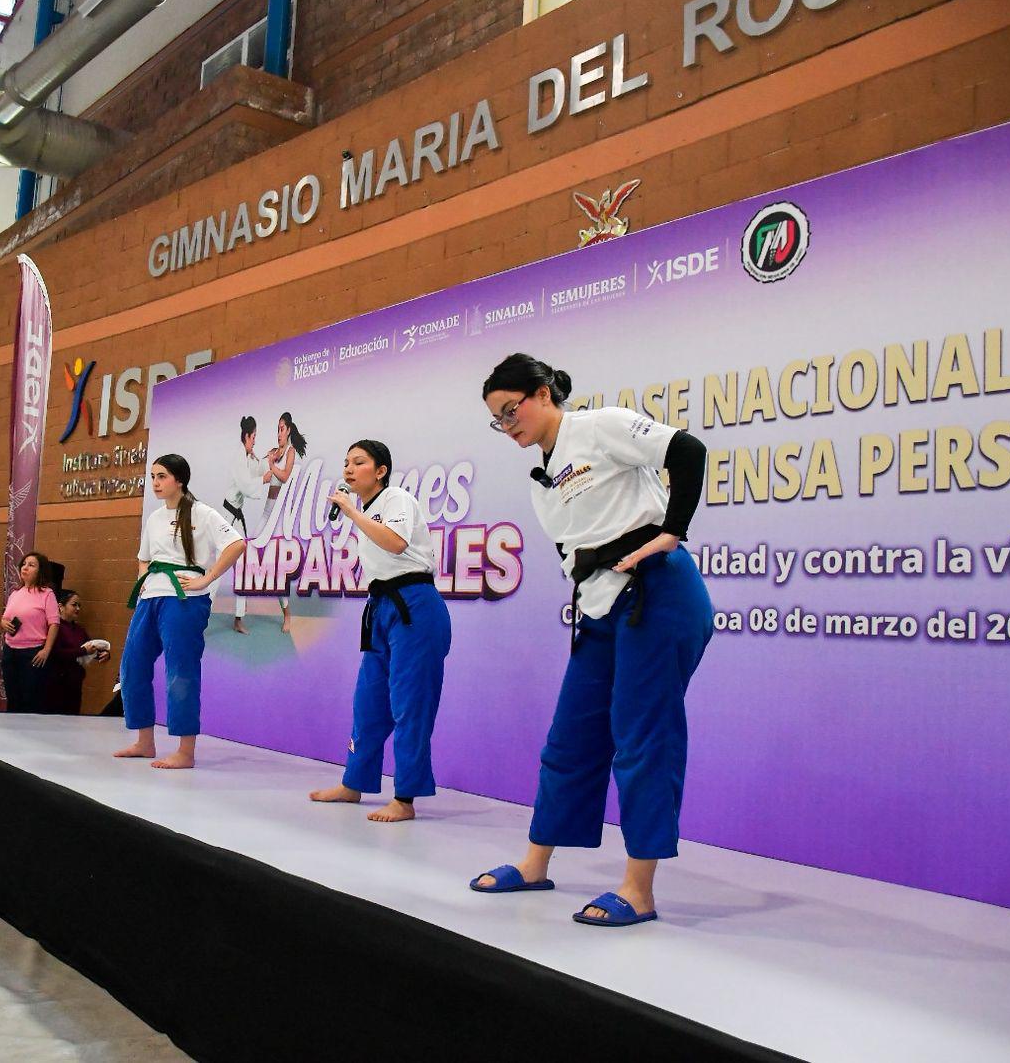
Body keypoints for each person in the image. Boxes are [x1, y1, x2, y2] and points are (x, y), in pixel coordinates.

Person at [469, 354, 713, 928]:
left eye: (512, 410)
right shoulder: (542, 480)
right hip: (603, 608)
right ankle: (535, 863)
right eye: (498, 420)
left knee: (642, 737)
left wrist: (672, 532)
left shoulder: (598, 427)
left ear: (544, 392)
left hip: (658, 594)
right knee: (570, 736)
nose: (509, 426)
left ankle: (639, 888)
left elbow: (688, 451)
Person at [309, 441, 453, 823]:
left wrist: (351, 512)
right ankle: (354, 782)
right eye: (346, 463)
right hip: (382, 609)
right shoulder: (367, 510)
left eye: (359, 462)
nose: (349, 469)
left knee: (410, 704)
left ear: (381, 470)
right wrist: (356, 513)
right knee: (369, 701)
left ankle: (405, 797)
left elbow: (395, 542)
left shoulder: (397, 499)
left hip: (416, 608)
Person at [116, 454, 246, 769]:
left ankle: (185, 751)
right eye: (153, 477)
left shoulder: (203, 513)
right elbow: (143, 557)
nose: (156, 483)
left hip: (185, 598)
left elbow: (236, 544)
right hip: (151, 598)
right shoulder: (155, 518)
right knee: (132, 666)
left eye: (162, 477)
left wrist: (208, 578)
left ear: (179, 480)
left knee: (180, 671)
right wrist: (143, 580)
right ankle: (145, 742)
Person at [259, 412, 308, 632]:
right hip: (267, 509)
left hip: (280, 513)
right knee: (250, 549)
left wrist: (271, 464)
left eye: (281, 428)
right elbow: (264, 473)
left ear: (288, 429)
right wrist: (265, 462)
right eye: (276, 429)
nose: (278, 433)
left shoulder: (290, 451)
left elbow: (286, 476)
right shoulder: (275, 452)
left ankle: (287, 613)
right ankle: (241, 608)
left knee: (276, 563)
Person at [0, 552, 59, 713]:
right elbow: (5, 618)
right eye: (24, 564)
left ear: (40, 571)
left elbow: (54, 623)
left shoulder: (47, 594)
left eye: (31, 565)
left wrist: (46, 650)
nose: (25, 567)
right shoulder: (15, 593)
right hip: (11, 651)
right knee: (13, 696)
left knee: (30, 698)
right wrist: (3, 623)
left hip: (32, 651)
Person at [225, 416, 269, 634]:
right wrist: (265, 478)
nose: (255, 441)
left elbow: (257, 469)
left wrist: (269, 458)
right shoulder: (237, 457)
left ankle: (238, 618)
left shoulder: (248, 457)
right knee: (215, 569)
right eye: (254, 437)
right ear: (247, 435)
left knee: (241, 567)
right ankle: (199, 615)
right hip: (226, 517)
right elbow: (246, 486)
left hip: (236, 518)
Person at [42, 590, 110, 715]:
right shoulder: (55, 628)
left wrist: (103, 654)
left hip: (74, 682)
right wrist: (83, 651)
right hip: (57, 683)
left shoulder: (79, 630)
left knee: (72, 718)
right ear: (61, 606)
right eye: (74, 605)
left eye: (79, 605)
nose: (78, 608)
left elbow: (91, 647)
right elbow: (57, 653)